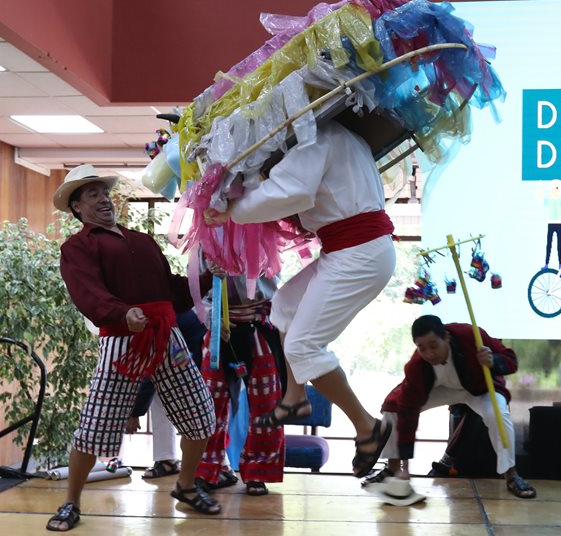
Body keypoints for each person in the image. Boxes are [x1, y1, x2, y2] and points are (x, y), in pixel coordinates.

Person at [208, 120, 396, 476]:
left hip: (359, 252)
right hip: (353, 249)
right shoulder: (346, 135)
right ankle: (295, 398)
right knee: (283, 306)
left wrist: (233, 211)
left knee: (302, 347)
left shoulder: (318, 137)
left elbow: (291, 192)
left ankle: (368, 427)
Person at [51, 165, 220, 530]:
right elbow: (87, 293)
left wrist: (206, 278)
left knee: (201, 414)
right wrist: (122, 312)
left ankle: (186, 486)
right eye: (92, 194)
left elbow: (171, 289)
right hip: (121, 339)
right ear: (77, 207)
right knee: (95, 424)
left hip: (166, 335)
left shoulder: (141, 240)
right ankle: (71, 503)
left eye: (104, 192)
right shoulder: (77, 247)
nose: (103, 200)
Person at [369, 315, 537, 503]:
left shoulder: (471, 335)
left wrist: (493, 360)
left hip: (478, 388)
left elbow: (511, 360)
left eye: (434, 346)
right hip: (442, 389)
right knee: (394, 406)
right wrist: (405, 467)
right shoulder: (416, 366)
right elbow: (408, 412)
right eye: (421, 348)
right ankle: (393, 470)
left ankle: (511, 474)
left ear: (446, 337)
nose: (429, 354)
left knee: (497, 414)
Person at [194, 273, 286, 496]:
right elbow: (197, 289)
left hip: (259, 326)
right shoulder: (205, 240)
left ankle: (258, 471)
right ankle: (208, 469)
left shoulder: (266, 238)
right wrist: (213, 319)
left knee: (266, 404)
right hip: (219, 328)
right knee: (210, 403)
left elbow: (272, 283)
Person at [124, 309, 212, 481]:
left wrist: (134, 413)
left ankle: (213, 465)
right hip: (184, 351)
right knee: (161, 392)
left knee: (201, 413)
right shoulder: (147, 318)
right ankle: (167, 460)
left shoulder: (153, 321)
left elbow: (150, 373)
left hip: (200, 355)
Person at [543, 180, 561, 269]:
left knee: (559, 245)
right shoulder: (549, 200)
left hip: (559, 223)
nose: (555, 190)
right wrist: (539, 187)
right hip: (551, 223)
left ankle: (560, 264)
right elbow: (540, 198)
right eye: (553, 188)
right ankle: (546, 264)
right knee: (549, 244)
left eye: (557, 188)